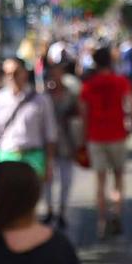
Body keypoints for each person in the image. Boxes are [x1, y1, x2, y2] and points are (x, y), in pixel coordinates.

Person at [79, 46, 132, 239]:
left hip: (96, 136)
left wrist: (84, 137)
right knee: (118, 179)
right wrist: (131, 126)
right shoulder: (121, 82)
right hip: (117, 134)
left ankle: (102, 221)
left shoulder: (88, 86)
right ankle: (116, 213)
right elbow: (130, 105)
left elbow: (84, 114)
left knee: (100, 182)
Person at [0, 58, 57, 187]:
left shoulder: (41, 100)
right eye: (8, 74)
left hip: (33, 159)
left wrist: (49, 164)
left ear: (24, 73)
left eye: (15, 73)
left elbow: (50, 134)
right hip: (6, 158)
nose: (12, 77)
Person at [44, 56, 80, 229]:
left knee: (66, 180)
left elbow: (79, 116)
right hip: (48, 145)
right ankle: (50, 210)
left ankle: (63, 211)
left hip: (67, 143)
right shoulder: (44, 96)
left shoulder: (71, 95)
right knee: (48, 180)